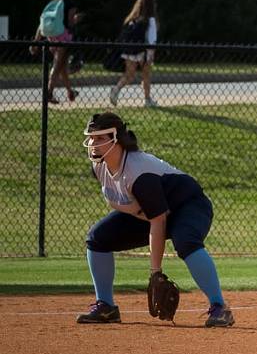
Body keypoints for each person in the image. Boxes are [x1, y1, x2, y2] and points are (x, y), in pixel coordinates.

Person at [77, 112, 234, 327]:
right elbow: (144, 213)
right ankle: (106, 307)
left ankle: (219, 307)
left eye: (100, 138)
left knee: (186, 241)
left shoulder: (139, 173)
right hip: (148, 213)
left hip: (188, 206)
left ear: (117, 140)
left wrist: (155, 272)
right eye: (92, 138)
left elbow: (158, 221)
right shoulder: (100, 167)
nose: (93, 144)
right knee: (98, 238)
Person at [32, 0, 79, 105]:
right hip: (64, 38)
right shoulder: (69, 4)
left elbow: (41, 23)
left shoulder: (52, 4)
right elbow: (69, 23)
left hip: (51, 37)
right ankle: (49, 92)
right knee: (58, 65)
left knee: (62, 66)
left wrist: (36, 41)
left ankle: (70, 91)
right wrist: (76, 20)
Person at [109, 0, 158, 107]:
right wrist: (151, 54)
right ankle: (147, 100)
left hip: (130, 50)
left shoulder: (132, 20)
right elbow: (152, 39)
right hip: (143, 51)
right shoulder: (151, 20)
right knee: (146, 74)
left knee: (129, 75)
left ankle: (116, 89)